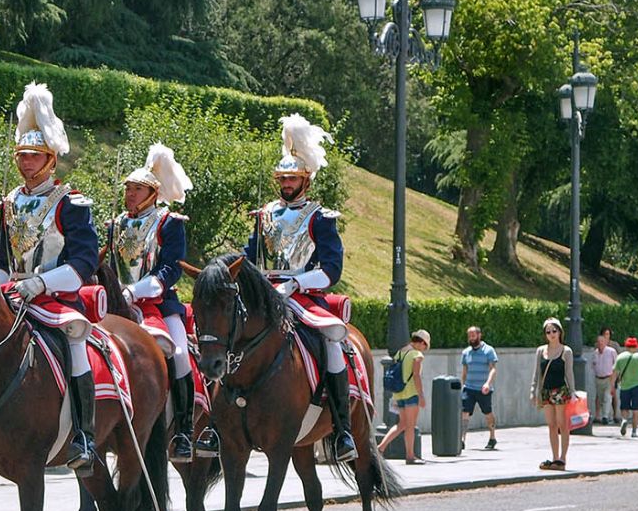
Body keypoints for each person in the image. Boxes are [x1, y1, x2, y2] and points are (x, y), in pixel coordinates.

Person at [0, 82, 101, 476]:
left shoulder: (70, 203)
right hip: (12, 295)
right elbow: (1, 256)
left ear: (51, 160)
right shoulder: (8, 202)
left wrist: (40, 284)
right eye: (22, 156)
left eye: (34, 157)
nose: (25, 163)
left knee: (75, 341)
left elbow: (85, 260)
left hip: (54, 297)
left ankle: (84, 435)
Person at [245, 113, 357, 463]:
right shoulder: (264, 214)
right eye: (282, 178)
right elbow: (252, 258)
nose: (286, 183)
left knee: (332, 343)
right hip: (264, 294)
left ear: (305, 179)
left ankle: (342, 429)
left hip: (304, 296)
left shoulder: (319, 217)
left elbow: (331, 269)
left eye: (292, 178)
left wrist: (296, 283)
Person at [110, 143, 218, 463]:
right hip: (117, 304)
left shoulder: (170, 223)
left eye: (137, 189)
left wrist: (138, 290)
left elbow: (170, 269)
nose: (129, 194)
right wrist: (117, 290)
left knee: (181, 355)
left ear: (152, 193)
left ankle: (184, 430)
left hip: (158, 303)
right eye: (128, 188)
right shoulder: (115, 224)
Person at [377, 330, 429, 465]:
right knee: (410, 426)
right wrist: (421, 395)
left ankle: (380, 448)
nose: (424, 349)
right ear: (422, 342)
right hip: (411, 393)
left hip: (398, 393)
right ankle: (410, 456)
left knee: (402, 424)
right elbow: (416, 376)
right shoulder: (416, 355)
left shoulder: (400, 352)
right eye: (425, 346)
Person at [530, 317, 575, 470]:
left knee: (562, 425)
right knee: (551, 425)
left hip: (560, 390)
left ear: (560, 331)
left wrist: (573, 392)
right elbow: (537, 373)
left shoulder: (566, 351)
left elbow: (569, 374)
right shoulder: (541, 350)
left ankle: (563, 458)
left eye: (554, 331)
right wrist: (533, 390)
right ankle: (555, 457)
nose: (551, 334)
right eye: (548, 331)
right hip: (546, 391)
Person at [459, 325, 498, 450]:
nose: (471, 338)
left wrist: (488, 383)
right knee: (464, 412)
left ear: (479, 335)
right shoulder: (465, 352)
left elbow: (493, 369)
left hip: (483, 388)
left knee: (487, 413)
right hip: (469, 388)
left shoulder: (488, 350)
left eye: (473, 335)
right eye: (469, 336)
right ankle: (462, 439)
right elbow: (464, 371)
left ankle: (492, 437)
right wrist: (462, 385)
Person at [612, 335, 638, 438]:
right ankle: (634, 431)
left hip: (624, 386)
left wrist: (612, 387)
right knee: (637, 409)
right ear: (636, 346)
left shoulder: (620, 357)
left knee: (624, 407)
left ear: (626, 346)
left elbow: (614, 373)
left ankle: (624, 420)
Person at [590, 332, 618, 425]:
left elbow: (616, 365)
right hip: (598, 379)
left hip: (609, 378)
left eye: (602, 341)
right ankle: (606, 415)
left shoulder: (611, 351)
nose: (600, 343)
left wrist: (615, 377)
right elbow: (593, 365)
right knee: (601, 399)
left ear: (606, 342)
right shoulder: (595, 353)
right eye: (598, 342)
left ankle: (605, 417)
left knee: (608, 397)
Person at [600, 325, 621, 421]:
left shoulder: (614, 345)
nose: (606, 336)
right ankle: (601, 415)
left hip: (612, 373)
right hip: (602, 374)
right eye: (604, 334)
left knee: (614, 394)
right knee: (601, 396)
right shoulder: (599, 344)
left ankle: (615, 414)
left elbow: (619, 359)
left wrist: (618, 373)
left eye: (608, 334)